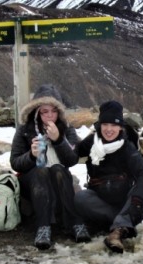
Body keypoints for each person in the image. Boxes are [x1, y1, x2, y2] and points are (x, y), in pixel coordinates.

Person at [10, 84, 91, 250]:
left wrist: (59, 140)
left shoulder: (67, 130)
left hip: (57, 177)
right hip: (32, 180)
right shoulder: (25, 130)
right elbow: (15, 162)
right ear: (36, 111)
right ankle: (43, 227)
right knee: (41, 171)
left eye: (53, 111)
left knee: (59, 170)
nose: (49, 116)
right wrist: (31, 155)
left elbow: (72, 160)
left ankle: (75, 224)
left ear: (59, 112)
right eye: (44, 111)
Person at [74, 100, 143, 253]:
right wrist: (57, 141)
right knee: (81, 198)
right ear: (99, 125)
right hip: (103, 203)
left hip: (126, 202)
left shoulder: (127, 147)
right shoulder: (92, 142)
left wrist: (136, 201)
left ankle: (117, 232)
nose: (109, 129)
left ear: (120, 127)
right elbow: (71, 155)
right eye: (105, 124)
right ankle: (121, 224)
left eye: (114, 125)